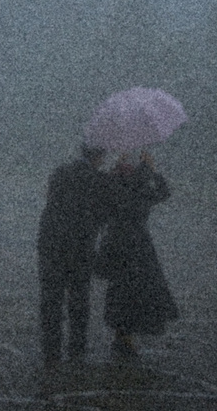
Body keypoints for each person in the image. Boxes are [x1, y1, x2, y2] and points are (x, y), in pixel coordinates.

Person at [95, 149, 178, 364]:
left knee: (124, 289)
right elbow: (162, 192)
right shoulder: (136, 187)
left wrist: (148, 172)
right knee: (130, 289)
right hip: (134, 246)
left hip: (121, 245)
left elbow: (162, 193)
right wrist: (151, 171)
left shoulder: (116, 185)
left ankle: (123, 334)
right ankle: (124, 335)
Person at [36, 143, 109, 367]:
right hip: (80, 248)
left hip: (52, 243)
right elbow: (104, 212)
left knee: (51, 299)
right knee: (78, 298)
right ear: (99, 156)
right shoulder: (98, 180)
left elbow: (51, 200)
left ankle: (51, 349)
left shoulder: (60, 172)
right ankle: (76, 348)